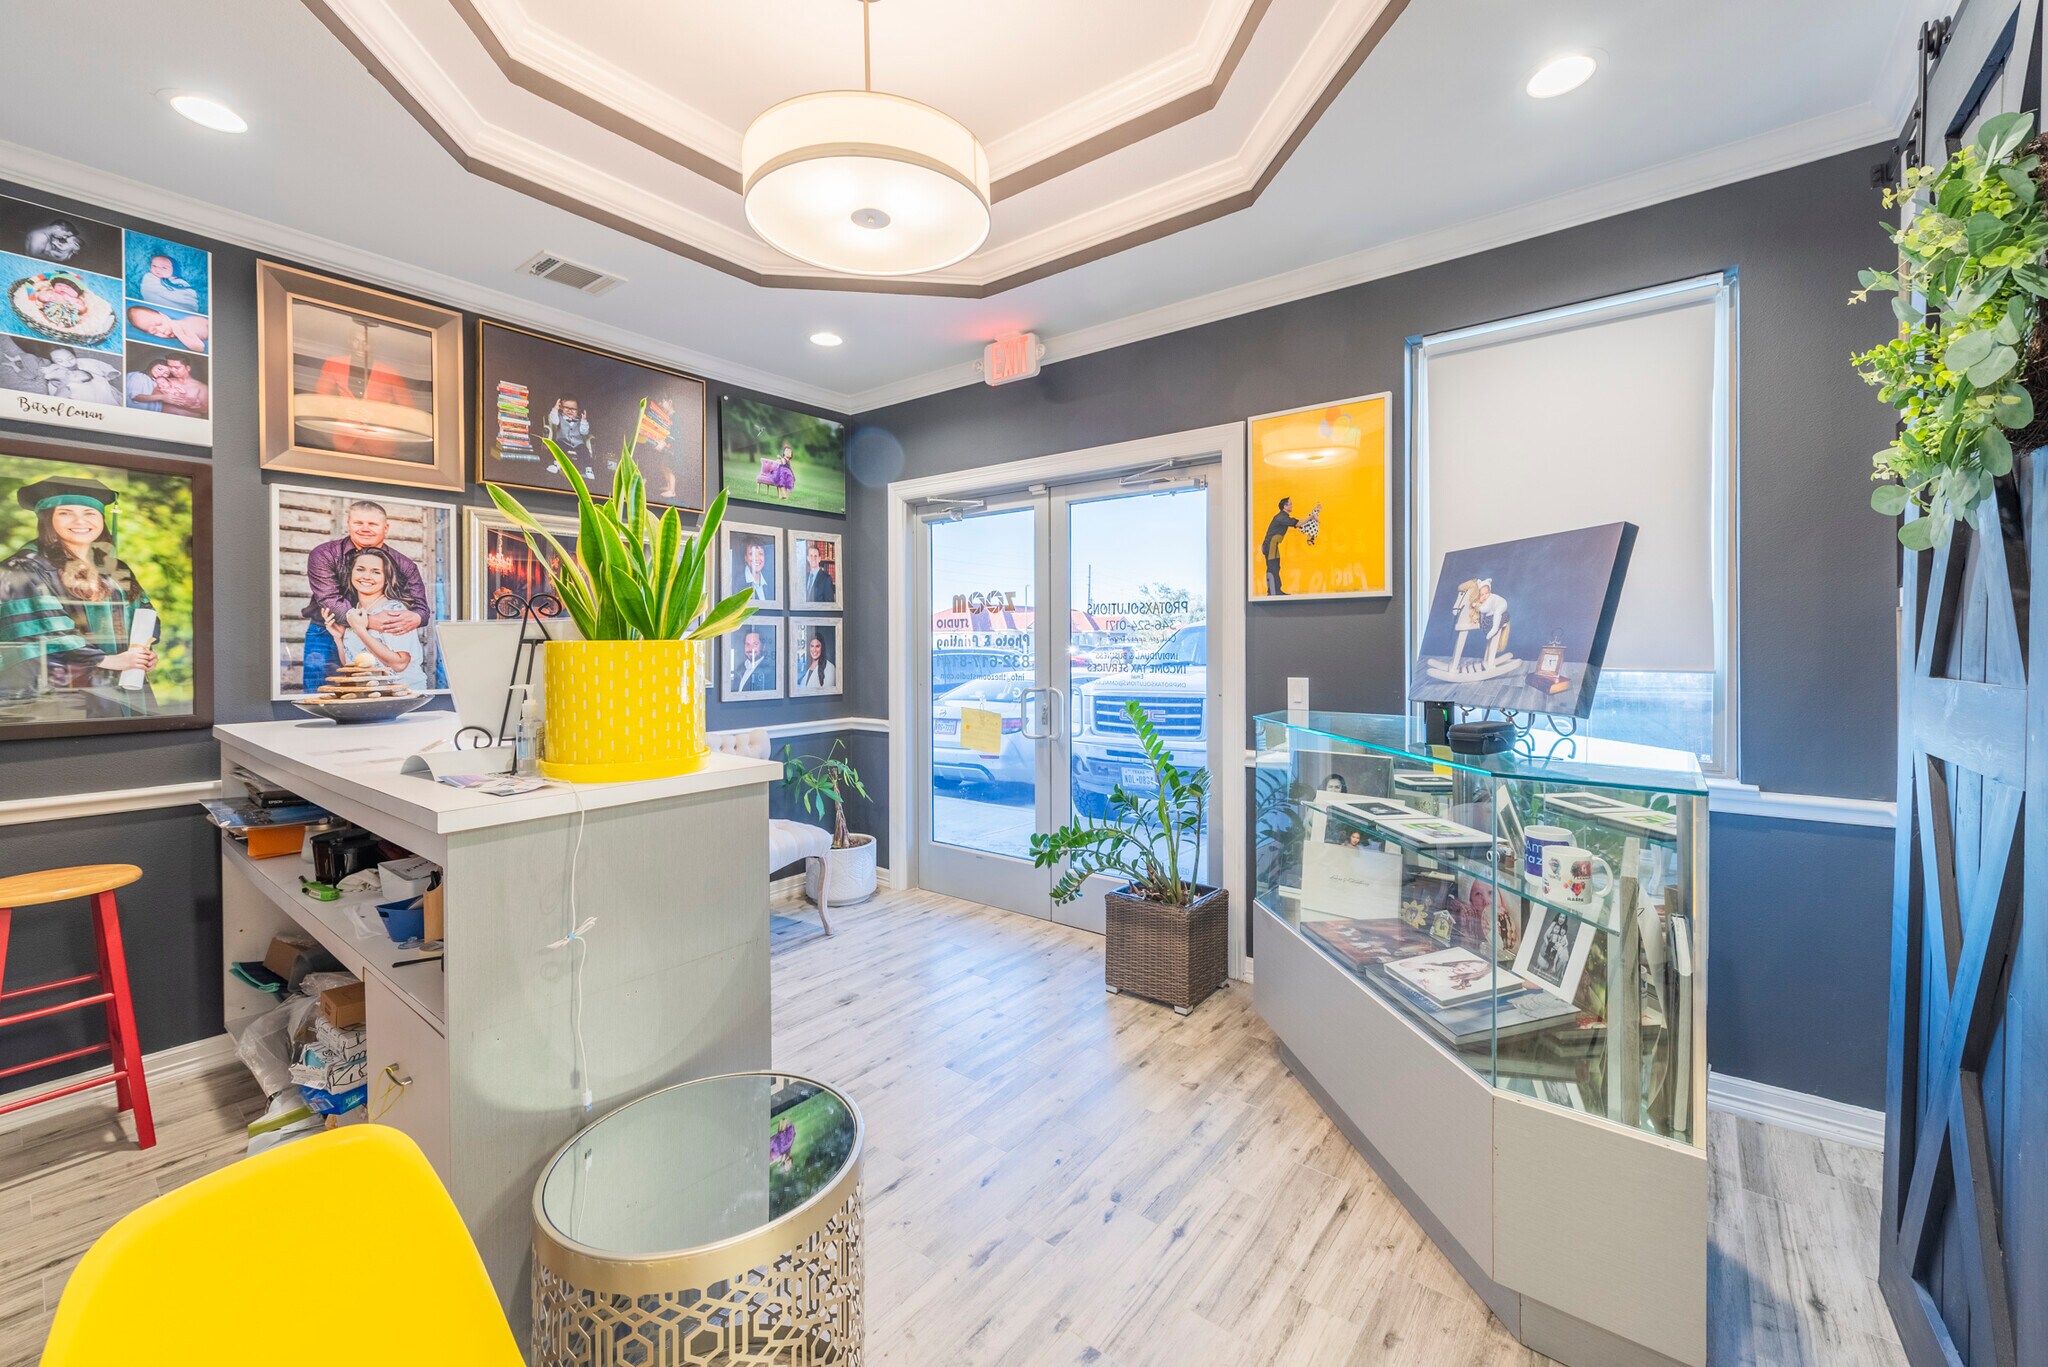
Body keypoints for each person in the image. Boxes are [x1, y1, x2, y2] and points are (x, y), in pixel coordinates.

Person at [0, 477, 160, 718]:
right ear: (47, 519)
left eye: (90, 513)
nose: (80, 521)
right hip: (64, 697)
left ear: (102, 519)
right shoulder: (23, 567)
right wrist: (108, 661)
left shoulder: (115, 568)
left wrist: (143, 653)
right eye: (65, 513)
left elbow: (144, 614)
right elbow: (37, 633)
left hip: (126, 690)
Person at [299, 500, 432, 692]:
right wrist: (367, 622)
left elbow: (421, 609)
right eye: (358, 523)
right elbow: (330, 599)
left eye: (372, 524)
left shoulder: (404, 565)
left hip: (385, 633)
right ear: (348, 524)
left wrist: (415, 617)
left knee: (370, 693)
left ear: (386, 528)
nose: (365, 528)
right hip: (329, 631)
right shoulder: (324, 554)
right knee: (321, 692)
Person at [321, 545, 427, 691]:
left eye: (376, 572)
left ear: (386, 578)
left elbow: (400, 664)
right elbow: (353, 664)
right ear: (351, 573)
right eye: (360, 569)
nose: (366, 576)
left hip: (404, 695)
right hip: (371, 694)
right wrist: (339, 638)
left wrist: (360, 630)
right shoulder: (356, 612)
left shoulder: (394, 610)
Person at [313, 326, 413, 455]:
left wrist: (380, 418)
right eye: (356, 340)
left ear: (372, 345)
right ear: (350, 341)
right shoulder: (333, 364)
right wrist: (339, 410)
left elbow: (407, 407)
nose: (360, 346)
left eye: (365, 342)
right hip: (345, 440)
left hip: (380, 443)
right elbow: (321, 393)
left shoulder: (390, 372)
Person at [38, 348, 121, 404]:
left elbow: (106, 369)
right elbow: (57, 395)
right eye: (60, 361)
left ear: (74, 355)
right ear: (54, 363)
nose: (68, 363)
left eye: (71, 358)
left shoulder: (85, 362)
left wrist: (107, 377)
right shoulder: (57, 373)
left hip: (101, 390)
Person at [546, 397, 596, 478]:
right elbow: (553, 420)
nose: (570, 411)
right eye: (567, 408)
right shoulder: (559, 418)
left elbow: (584, 432)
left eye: (573, 409)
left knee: (584, 451)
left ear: (578, 410)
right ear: (561, 408)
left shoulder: (580, 421)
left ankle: (588, 469)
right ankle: (556, 464)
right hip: (563, 441)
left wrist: (584, 420)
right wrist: (555, 408)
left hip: (577, 444)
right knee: (559, 447)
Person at [126, 305, 209, 353]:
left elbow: (200, 347)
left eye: (159, 323)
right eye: (154, 332)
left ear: (164, 315)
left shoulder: (181, 326)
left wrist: (181, 335)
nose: (162, 331)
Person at [136, 252, 201, 311]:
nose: (157, 269)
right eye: (154, 266)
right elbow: (149, 292)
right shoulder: (149, 277)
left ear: (174, 270)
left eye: (164, 268)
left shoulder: (180, 282)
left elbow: (188, 295)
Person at [1261, 497, 1300, 595]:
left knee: (1275, 567)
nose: (1292, 506)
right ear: (1285, 506)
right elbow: (1297, 523)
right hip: (1271, 545)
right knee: (1273, 567)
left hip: (1272, 545)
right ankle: (1273, 592)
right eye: (1290, 504)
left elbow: (1298, 524)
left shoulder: (1283, 517)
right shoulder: (1281, 517)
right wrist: (1311, 517)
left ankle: (1274, 591)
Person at [730, 629, 773, 693]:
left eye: (755, 644)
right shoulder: (740, 668)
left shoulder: (769, 670)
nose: (750, 649)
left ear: (763, 646)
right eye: (747, 644)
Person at [801, 539, 836, 605]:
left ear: (819, 559)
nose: (813, 558)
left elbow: (829, 606)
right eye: (811, 556)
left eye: (815, 556)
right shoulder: (804, 577)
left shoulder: (826, 579)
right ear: (807, 558)